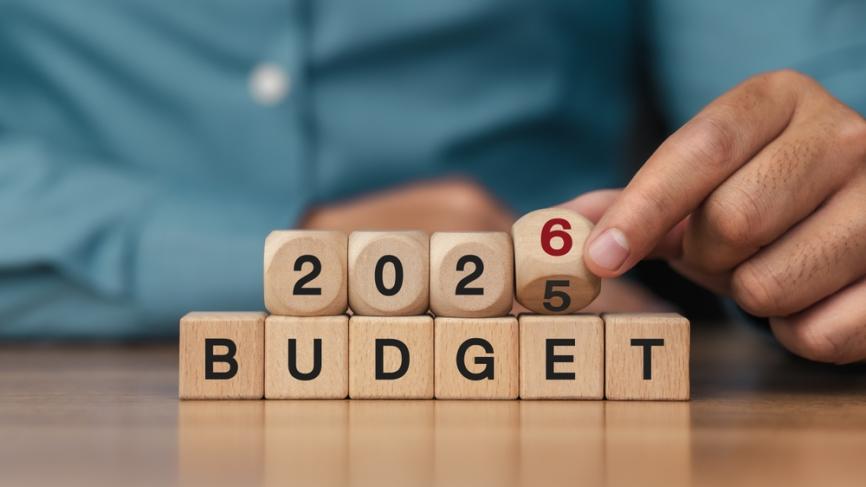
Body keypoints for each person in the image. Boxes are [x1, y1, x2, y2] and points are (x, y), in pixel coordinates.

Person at [1, 1, 864, 363]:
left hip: (564, 380)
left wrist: (826, 208)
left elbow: (814, 103)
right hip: (79, 389)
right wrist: (290, 251)